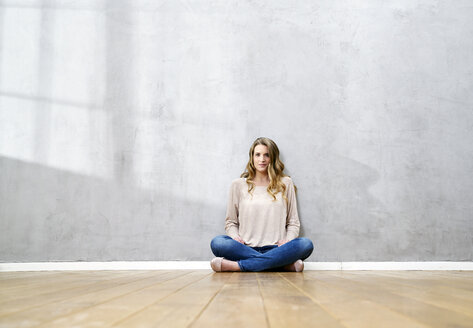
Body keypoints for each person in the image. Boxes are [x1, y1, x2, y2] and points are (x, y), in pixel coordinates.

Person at [209, 137, 314, 272]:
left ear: (273, 158)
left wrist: (288, 240)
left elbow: (293, 222)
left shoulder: (285, 183)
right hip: (245, 248)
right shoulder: (238, 185)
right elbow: (231, 222)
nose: (262, 159)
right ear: (252, 157)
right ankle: (281, 265)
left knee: (305, 244)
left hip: (277, 248)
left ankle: (237, 266)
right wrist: (235, 237)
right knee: (218, 243)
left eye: (267, 155)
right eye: (257, 154)